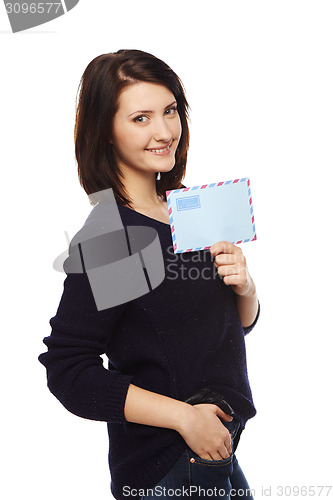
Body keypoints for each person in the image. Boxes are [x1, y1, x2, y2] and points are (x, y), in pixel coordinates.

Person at [39, 49, 260, 500]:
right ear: (106, 132)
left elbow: (215, 331)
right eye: (141, 118)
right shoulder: (116, 235)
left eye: (170, 111)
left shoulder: (181, 210)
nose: (164, 132)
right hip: (170, 468)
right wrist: (183, 417)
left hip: (214, 457)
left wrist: (245, 288)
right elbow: (70, 370)